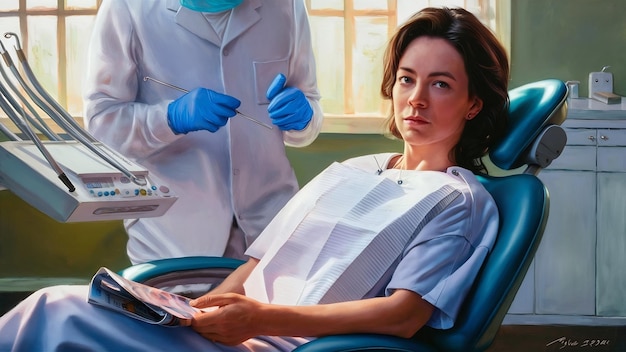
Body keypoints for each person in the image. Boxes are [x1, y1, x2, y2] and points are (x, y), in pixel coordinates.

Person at [0, 6, 510, 351]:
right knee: (59, 311)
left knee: (54, 314)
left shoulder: (457, 200)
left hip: (270, 340)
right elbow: (259, 260)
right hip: (228, 325)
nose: (416, 99)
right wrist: (190, 312)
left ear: (473, 105)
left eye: (440, 84)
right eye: (406, 78)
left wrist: (256, 322)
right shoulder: (354, 170)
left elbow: (402, 316)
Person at [82, 0, 323, 264]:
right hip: (173, 240)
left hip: (272, 229)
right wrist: (171, 118)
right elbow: (101, 124)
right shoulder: (127, 8)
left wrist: (304, 118)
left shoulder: (286, 6)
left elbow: (309, 105)